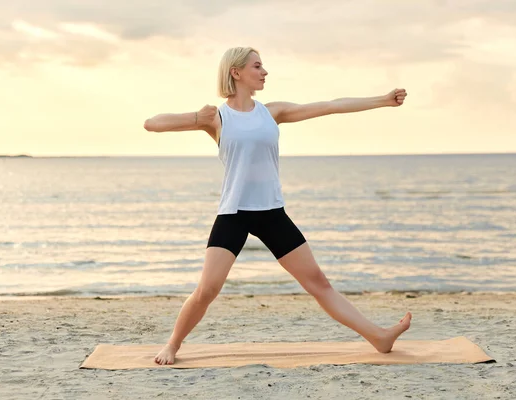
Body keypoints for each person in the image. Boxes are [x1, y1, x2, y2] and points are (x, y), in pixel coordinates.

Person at [144, 47, 411, 365]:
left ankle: (378, 337)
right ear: (236, 72)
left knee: (319, 284)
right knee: (207, 290)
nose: (265, 71)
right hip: (234, 214)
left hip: (272, 212)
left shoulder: (272, 113)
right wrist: (195, 118)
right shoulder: (217, 118)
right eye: (257, 66)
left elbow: (330, 106)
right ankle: (173, 344)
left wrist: (382, 100)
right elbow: (152, 124)